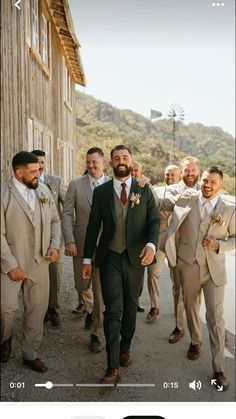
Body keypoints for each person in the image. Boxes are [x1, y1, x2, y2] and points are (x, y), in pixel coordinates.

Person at [82, 145, 160, 384]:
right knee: (113, 310)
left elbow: (154, 221)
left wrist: (151, 245)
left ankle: (125, 346)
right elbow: (93, 226)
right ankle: (112, 365)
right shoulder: (102, 192)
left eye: (125, 157)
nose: (121, 161)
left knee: (130, 307)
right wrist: (87, 259)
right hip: (110, 259)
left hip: (136, 259)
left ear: (131, 161)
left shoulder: (143, 190)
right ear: (111, 163)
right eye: (116, 158)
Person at [160, 166, 235, 391]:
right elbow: (163, 204)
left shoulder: (230, 208)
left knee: (215, 318)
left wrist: (220, 245)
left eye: (213, 182)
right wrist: (142, 186)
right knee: (191, 310)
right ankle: (194, 341)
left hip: (213, 271)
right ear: (199, 181)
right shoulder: (188, 197)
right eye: (204, 180)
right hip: (188, 265)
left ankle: (218, 369)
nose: (207, 185)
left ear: (221, 184)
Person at [1, 151, 61, 372]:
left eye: (39, 169)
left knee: (37, 309)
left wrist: (54, 245)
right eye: (34, 171)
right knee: (6, 308)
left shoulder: (43, 190)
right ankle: (4, 338)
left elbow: (55, 220)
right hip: (11, 265)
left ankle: (29, 353)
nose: (39, 174)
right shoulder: (3, 195)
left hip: (40, 262)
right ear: (19, 172)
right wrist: (11, 265)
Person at [61, 147, 109, 352]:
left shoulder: (113, 184)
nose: (90, 166)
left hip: (105, 248)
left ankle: (95, 333)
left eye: (94, 162)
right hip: (80, 245)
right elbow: (66, 214)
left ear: (103, 162)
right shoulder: (75, 185)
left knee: (100, 292)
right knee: (82, 286)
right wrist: (69, 240)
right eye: (88, 162)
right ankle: (89, 310)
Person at [167, 156, 200, 343]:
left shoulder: (205, 189)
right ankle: (179, 328)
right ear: (181, 172)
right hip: (178, 251)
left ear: (198, 171)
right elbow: (169, 203)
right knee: (178, 291)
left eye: (193, 170)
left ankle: (199, 329)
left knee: (197, 294)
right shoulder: (172, 190)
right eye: (186, 170)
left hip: (200, 253)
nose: (190, 173)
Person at [31, 149, 66, 327]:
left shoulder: (56, 181)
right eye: (37, 162)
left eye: (42, 162)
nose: (40, 165)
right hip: (34, 238)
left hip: (54, 236)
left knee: (56, 271)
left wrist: (68, 234)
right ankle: (39, 310)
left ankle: (53, 308)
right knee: (37, 275)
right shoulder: (27, 182)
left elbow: (66, 207)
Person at [147, 164, 181, 321]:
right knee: (153, 272)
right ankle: (154, 306)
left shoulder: (186, 194)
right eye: (168, 174)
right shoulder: (156, 191)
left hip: (177, 240)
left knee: (177, 277)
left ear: (179, 176)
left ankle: (178, 309)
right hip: (159, 238)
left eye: (174, 174)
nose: (170, 177)